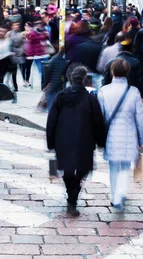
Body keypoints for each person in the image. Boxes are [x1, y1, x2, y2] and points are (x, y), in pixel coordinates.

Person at [46, 66, 106, 217]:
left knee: (67, 169)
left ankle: (71, 193)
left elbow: (51, 121)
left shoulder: (61, 96)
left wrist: (50, 141)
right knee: (82, 169)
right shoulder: (91, 99)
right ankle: (73, 195)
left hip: (63, 138)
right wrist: (100, 142)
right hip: (84, 139)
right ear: (85, 80)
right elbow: (98, 122)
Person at [98, 59, 143, 209]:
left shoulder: (103, 91)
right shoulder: (134, 92)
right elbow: (140, 118)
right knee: (125, 165)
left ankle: (114, 196)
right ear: (127, 72)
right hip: (129, 134)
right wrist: (141, 139)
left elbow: (100, 116)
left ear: (112, 72)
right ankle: (122, 192)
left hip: (111, 134)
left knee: (113, 166)